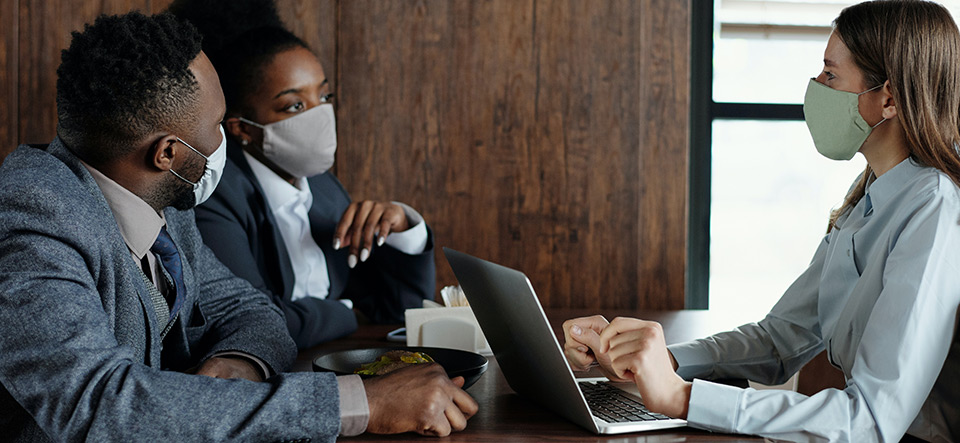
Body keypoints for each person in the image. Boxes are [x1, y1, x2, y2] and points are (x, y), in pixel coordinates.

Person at [0, 12, 476, 441]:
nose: (225, 138)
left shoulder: (166, 198)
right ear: (168, 153)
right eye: (215, 125)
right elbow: (97, 404)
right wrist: (360, 404)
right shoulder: (31, 219)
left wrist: (239, 362)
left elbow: (249, 308)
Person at [563, 1, 959, 441]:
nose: (815, 87)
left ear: (888, 98)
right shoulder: (871, 195)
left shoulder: (936, 209)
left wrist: (683, 398)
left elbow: (869, 419)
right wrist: (654, 360)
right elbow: (781, 338)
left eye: (830, 74)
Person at [167, 0, 436, 350]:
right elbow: (257, 320)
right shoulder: (214, 197)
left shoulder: (323, 188)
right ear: (240, 128)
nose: (321, 115)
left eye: (324, 95)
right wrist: (347, 314)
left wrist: (404, 230)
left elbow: (398, 313)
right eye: (294, 105)